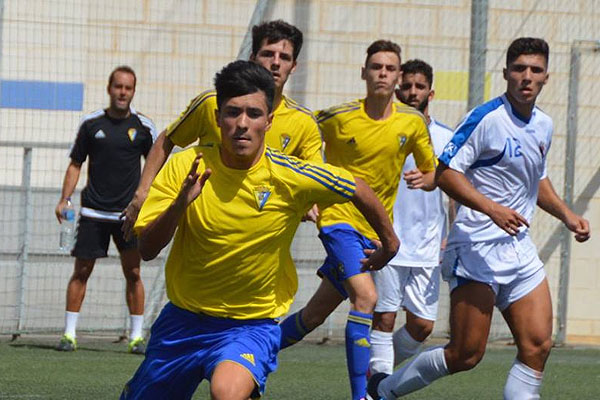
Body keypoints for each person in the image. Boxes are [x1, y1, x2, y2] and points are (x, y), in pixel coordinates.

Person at [120, 60, 399, 400]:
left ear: (268, 120)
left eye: (253, 114)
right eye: (232, 112)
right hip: (183, 322)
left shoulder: (291, 174)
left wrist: (390, 243)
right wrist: (180, 205)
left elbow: (356, 186)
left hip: (250, 325)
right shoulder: (186, 166)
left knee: (227, 391)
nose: (242, 124)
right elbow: (147, 248)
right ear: (217, 116)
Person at [368, 37, 591, 400]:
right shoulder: (486, 118)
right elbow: (445, 173)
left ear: (546, 77)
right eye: (519, 69)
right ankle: (384, 388)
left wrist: (567, 215)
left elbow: (537, 179)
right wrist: (493, 209)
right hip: (475, 249)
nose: (526, 77)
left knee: (538, 345)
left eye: (535, 70)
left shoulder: (544, 125)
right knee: (466, 354)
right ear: (506, 73)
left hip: (518, 250)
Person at [278, 40, 437, 400]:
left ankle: (253, 353)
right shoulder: (335, 118)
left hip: (374, 234)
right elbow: (295, 145)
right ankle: (361, 395)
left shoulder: (411, 123)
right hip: (338, 221)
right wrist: (305, 197)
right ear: (363, 72)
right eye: (376, 66)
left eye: (389, 68)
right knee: (366, 297)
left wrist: (428, 180)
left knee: (315, 315)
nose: (382, 73)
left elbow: (430, 171)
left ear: (398, 77)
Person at [121, 19, 322, 237]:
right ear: (253, 58)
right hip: (204, 229)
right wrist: (142, 193)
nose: (275, 63)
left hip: (260, 235)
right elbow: (168, 139)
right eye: (267, 54)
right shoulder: (211, 104)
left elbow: (316, 174)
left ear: (294, 66)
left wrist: (309, 199)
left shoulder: (302, 122)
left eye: (284, 57)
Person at [54, 66, 157, 353]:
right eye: (118, 87)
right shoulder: (91, 124)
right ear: (109, 88)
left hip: (128, 216)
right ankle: (69, 334)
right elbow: (76, 163)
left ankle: (137, 337)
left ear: (133, 91)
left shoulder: (144, 127)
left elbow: (156, 166)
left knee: (134, 273)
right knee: (81, 271)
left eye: (128, 88)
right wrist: (65, 199)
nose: (123, 92)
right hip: (93, 213)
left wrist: (151, 203)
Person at [369, 59, 455, 376]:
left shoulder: (446, 137)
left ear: (430, 93)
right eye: (406, 86)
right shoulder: (383, 130)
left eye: (419, 87)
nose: (412, 92)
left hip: (430, 244)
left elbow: (455, 189)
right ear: (397, 88)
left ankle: (377, 372)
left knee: (421, 326)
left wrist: (453, 233)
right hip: (389, 239)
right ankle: (376, 384)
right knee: (385, 316)